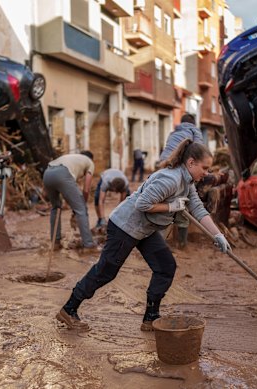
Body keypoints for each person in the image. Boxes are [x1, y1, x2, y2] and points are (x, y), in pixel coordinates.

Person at [56, 140, 231, 331]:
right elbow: (142, 204)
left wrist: (217, 235)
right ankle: (69, 308)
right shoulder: (171, 179)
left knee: (165, 266)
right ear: (191, 163)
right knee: (106, 271)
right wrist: (171, 207)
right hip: (125, 225)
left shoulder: (186, 182)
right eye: (204, 168)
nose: (206, 173)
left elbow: (197, 208)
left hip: (146, 229)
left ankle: (151, 317)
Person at [158, 113, 204, 249]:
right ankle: (182, 243)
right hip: (179, 169)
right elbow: (200, 152)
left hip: (163, 166)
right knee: (183, 204)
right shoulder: (195, 131)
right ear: (193, 123)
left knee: (163, 205)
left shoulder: (173, 133)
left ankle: (157, 244)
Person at [42, 151, 99, 251]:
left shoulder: (71, 158)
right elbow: (86, 189)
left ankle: (55, 243)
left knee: (56, 207)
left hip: (47, 174)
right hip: (63, 173)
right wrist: (82, 204)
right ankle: (89, 245)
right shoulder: (90, 162)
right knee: (81, 209)